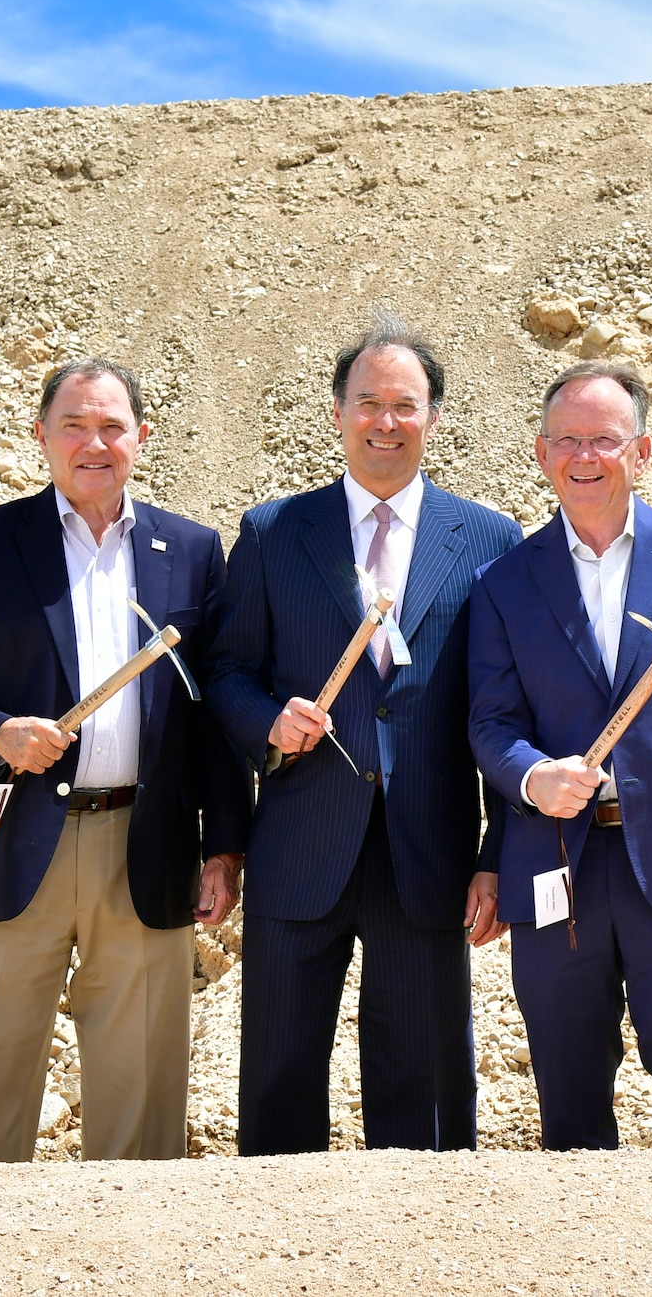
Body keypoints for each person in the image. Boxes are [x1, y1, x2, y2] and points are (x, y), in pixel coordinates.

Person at [0, 357, 250, 1162]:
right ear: (42, 436)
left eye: (112, 426)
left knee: (145, 1096)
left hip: (149, 839)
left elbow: (213, 711)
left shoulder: (192, 550)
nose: (94, 443)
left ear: (141, 438)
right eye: (74, 425)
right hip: (17, 837)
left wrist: (224, 845)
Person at [207, 310, 520, 1155]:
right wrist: (268, 720)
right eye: (369, 402)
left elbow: (504, 706)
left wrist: (496, 854)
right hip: (301, 840)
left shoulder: (490, 540)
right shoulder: (275, 532)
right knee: (277, 1076)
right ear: (337, 412)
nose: (387, 422)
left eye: (406, 405)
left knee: (423, 1093)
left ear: (435, 418)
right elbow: (226, 671)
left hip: (427, 852)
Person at [467, 361, 652, 1151]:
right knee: (567, 1089)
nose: (584, 456)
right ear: (540, 454)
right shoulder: (502, 581)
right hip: (554, 864)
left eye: (604, 438)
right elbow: (492, 724)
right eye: (566, 439)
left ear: (641, 452)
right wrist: (535, 777)